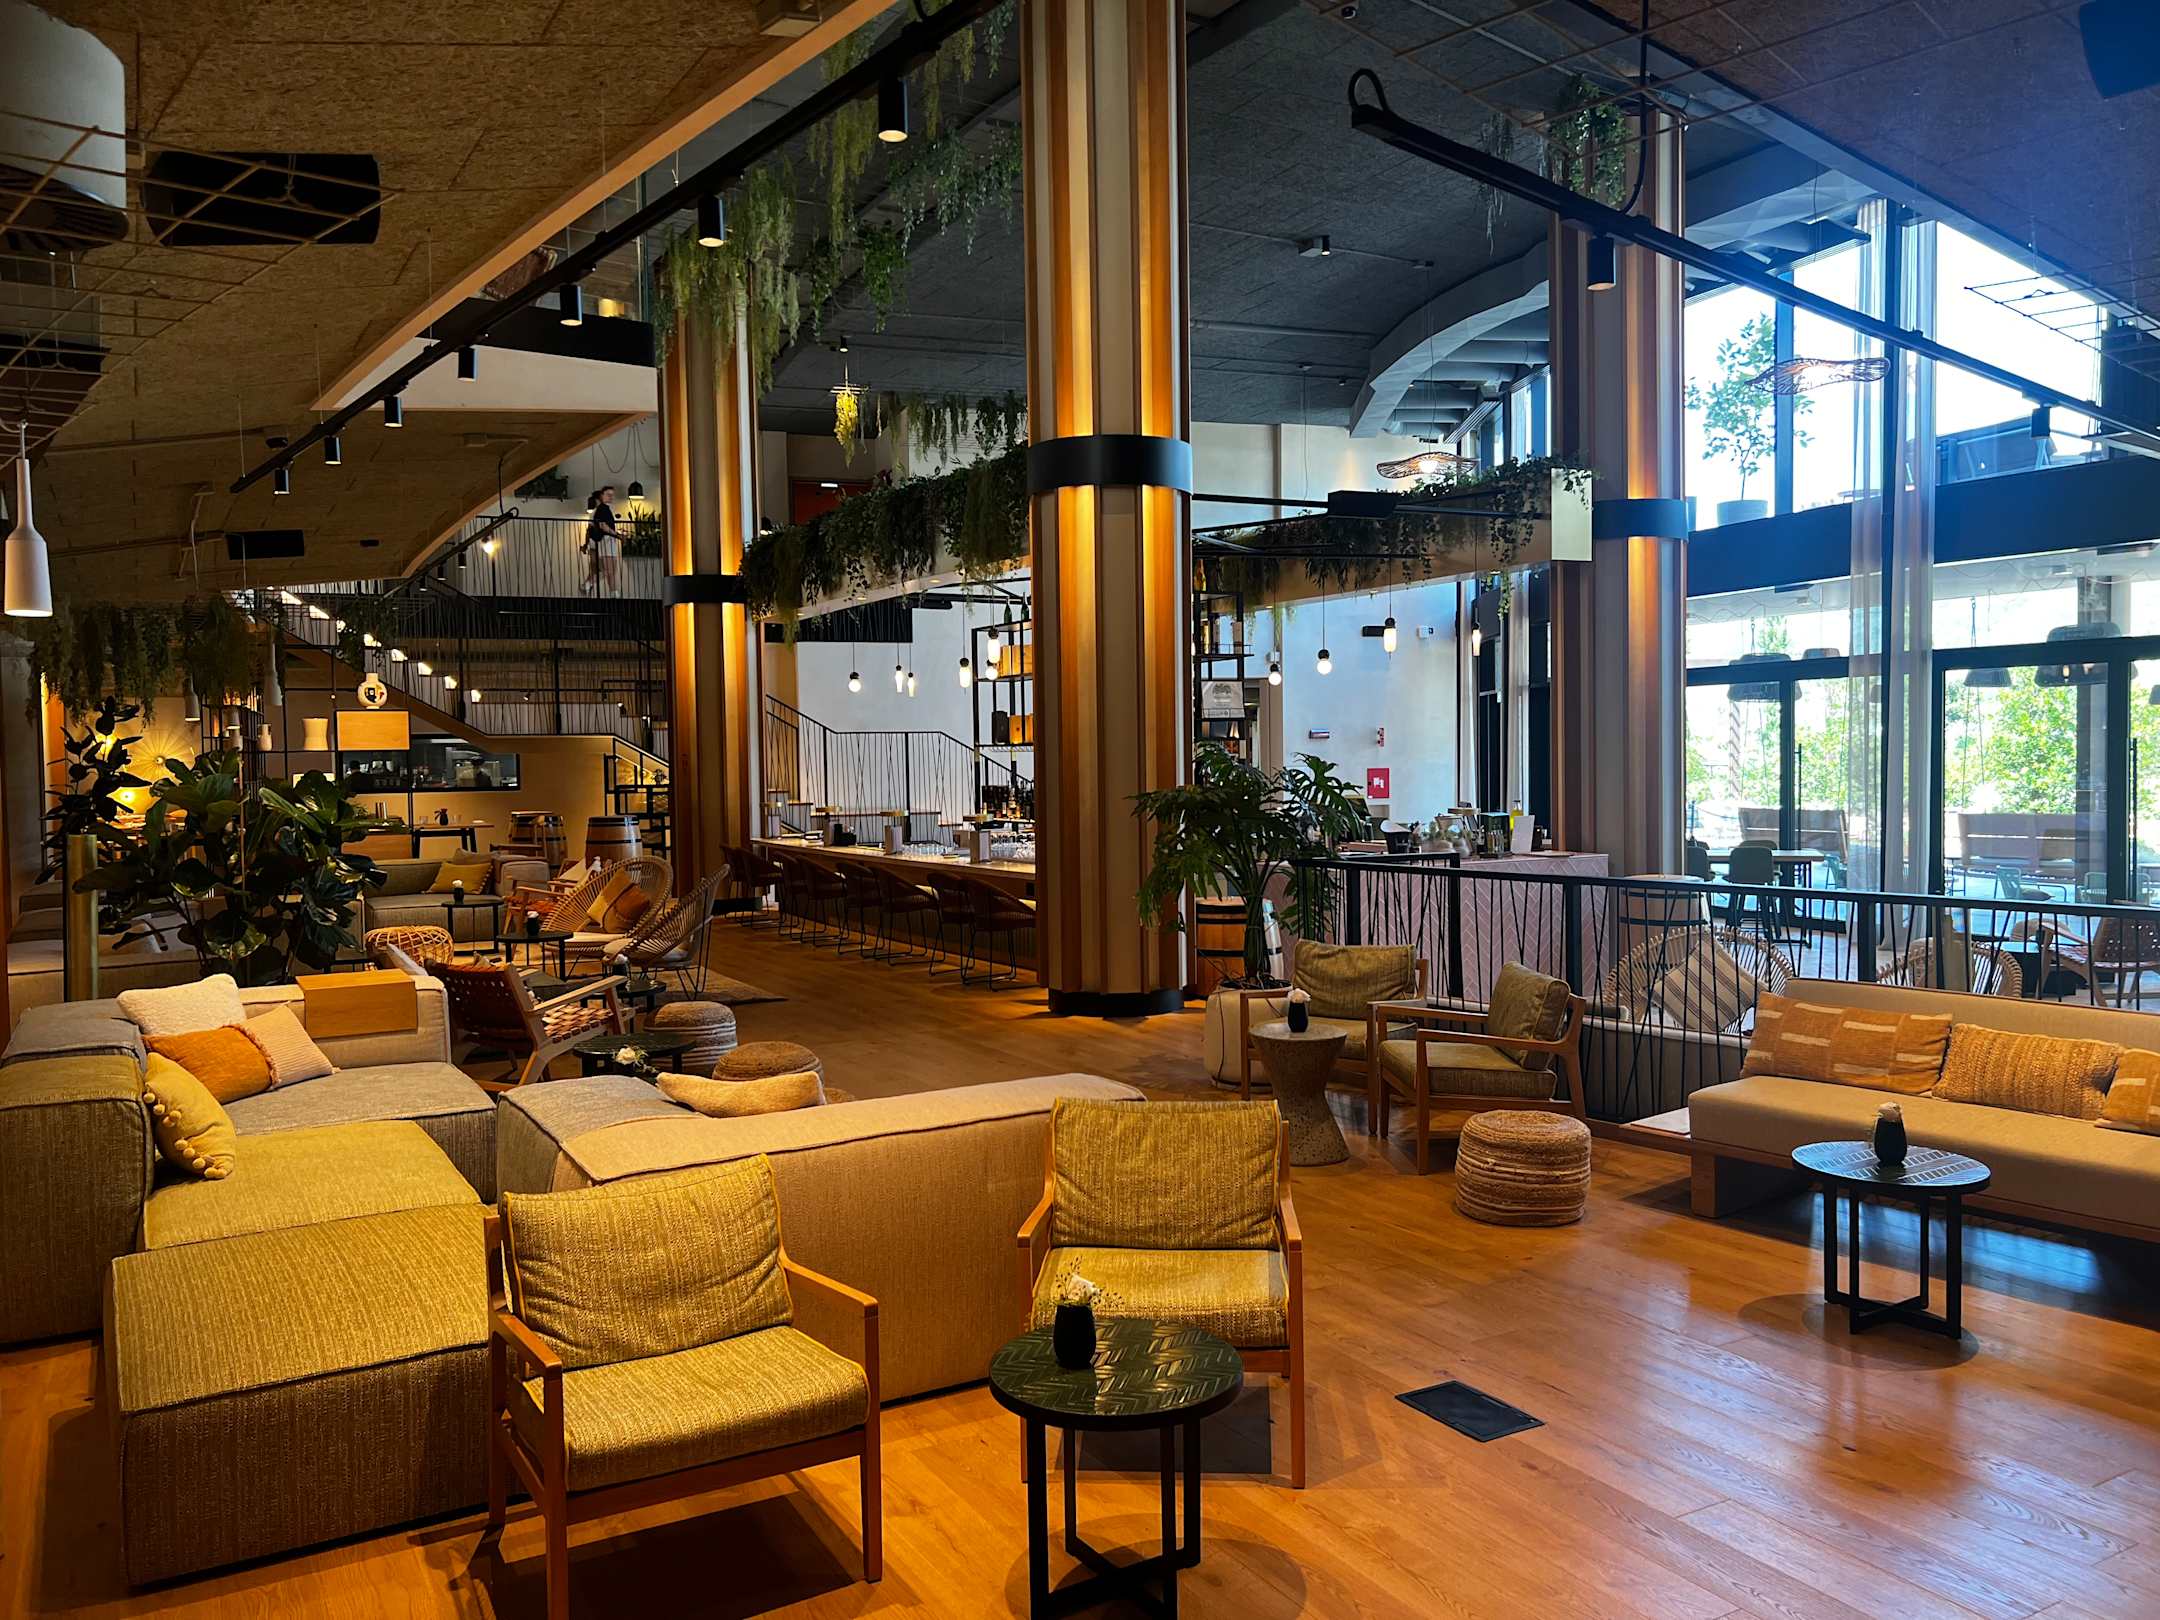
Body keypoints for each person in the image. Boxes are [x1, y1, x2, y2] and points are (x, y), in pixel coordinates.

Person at [583, 485, 623, 593]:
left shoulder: (602, 510)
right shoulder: (600, 510)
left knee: (606, 570)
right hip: (602, 542)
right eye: (608, 495)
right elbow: (600, 527)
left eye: (612, 495)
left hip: (600, 542)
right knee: (605, 570)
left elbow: (591, 529)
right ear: (601, 497)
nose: (611, 497)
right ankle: (589, 584)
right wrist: (617, 535)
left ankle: (611, 591)